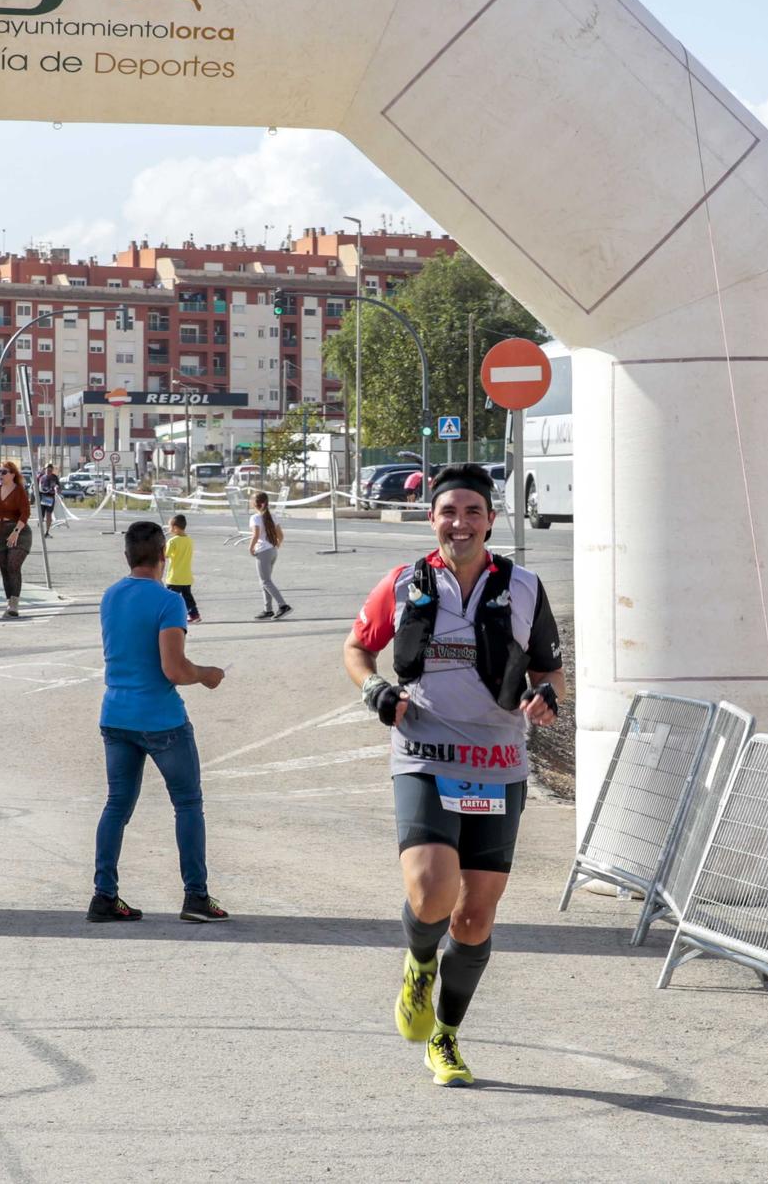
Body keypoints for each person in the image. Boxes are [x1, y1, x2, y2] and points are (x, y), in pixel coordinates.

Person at [341, 463, 564, 1088]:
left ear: (491, 519)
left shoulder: (525, 587)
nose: (459, 523)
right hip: (424, 754)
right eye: (448, 512)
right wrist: (377, 692)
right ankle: (418, 963)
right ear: (431, 517)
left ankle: (445, 1036)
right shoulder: (404, 582)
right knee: (433, 888)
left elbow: (550, 672)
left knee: (473, 920)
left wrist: (547, 700)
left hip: (498, 764)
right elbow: (357, 650)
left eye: (472, 512)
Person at [89, 519, 229, 925]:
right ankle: (196, 897)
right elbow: (174, 669)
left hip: (115, 713)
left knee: (117, 804)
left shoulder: (110, 596)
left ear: (127, 556)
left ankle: (104, 895)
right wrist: (207, 674)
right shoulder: (169, 601)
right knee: (187, 804)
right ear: (163, 557)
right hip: (160, 718)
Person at [0, 458, 33, 618]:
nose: (0, 475)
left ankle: (14, 604)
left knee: (13, 565)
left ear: (12, 474)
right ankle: (8, 602)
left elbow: (25, 513)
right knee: (5, 570)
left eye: (4, 472)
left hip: (19, 531)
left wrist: (16, 532)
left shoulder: (19, 491)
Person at [248, 491, 291, 621]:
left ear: (255, 503)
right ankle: (268, 610)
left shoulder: (255, 518)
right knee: (264, 581)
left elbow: (255, 535)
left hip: (263, 552)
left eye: (251, 500)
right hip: (272, 551)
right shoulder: (272, 516)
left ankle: (283, 606)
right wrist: (276, 546)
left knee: (266, 581)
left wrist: (251, 547)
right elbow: (281, 536)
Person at [164, 514, 200, 624]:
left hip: (175, 576)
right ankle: (194, 614)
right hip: (186, 576)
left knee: (169, 598)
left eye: (170, 527)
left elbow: (165, 555)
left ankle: (169, 616)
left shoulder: (173, 541)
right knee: (187, 597)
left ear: (175, 527)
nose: (169, 529)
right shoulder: (189, 540)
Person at [38, 463, 62, 538]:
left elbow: (59, 488)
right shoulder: (40, 477)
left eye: (51, 470)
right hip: (42, 497)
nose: (49, 472)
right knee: (41, 517)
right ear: (45, 470)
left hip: (50, 498)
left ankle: (47, 532)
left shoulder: (55, 477)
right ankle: (41, 531)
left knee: (49, 515)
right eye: (48, 470)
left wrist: (58, 489)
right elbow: (35, 486)